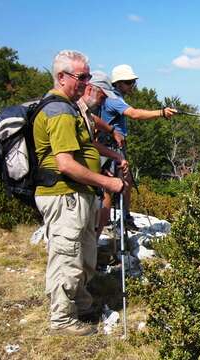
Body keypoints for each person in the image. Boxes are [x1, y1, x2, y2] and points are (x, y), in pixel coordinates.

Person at [33, 50, 125, 336]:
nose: (87, 82)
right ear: (61, 77)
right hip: (64, 195)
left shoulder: (70, 108)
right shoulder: (59, 111)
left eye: (88, 76)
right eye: (81, 76)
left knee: (84, 253)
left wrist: (100, 173)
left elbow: (84, 150)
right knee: (67, 256)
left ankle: (81, 304)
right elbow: (66, 164)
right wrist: (107, 183)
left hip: (77, 195)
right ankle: (61, 320)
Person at [100, 64, 177, 229]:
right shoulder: (113, 99)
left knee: (124, 182)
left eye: (132, 82)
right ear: (118, 83)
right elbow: (134, 114)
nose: (132, 85)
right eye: (128, 82)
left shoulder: (114, 97)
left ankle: (122, 218)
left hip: (113, 145)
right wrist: (161, 113)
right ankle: (111, 220)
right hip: (112, 146)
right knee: (111, 184)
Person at [75, 71, 129, 240]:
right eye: (103, 97)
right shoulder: (69, 111)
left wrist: (112, 133)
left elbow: (91, 134)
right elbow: (65, 162)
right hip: (69, 189)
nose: (104, 101)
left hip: (84, 179)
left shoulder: (83, 112)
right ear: (90, 89)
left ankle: (93, 247)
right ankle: (92, 246)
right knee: (106, 192)